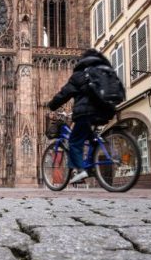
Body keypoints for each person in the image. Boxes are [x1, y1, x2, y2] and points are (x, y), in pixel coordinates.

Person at [47, 49, 116, 184]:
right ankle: (93, 163)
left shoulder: (78, 76)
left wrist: (52, 105)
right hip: (103, 111)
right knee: (91, 138)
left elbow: (64, 94)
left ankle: (80, 170)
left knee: (74, 141)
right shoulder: (98, 74)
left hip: (86, 113)